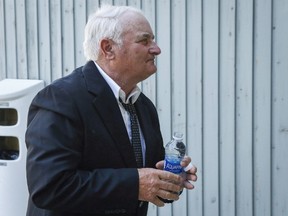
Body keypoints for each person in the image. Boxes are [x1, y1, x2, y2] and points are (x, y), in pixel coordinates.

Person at [25, 5, 197, 216]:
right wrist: (136, 184)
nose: (156, 49)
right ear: (108, 48)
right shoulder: (61, 98)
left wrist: (169, 177)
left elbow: (145, 182)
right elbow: (49, 188)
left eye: (153, 40)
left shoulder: (143, 107)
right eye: (145, 41)